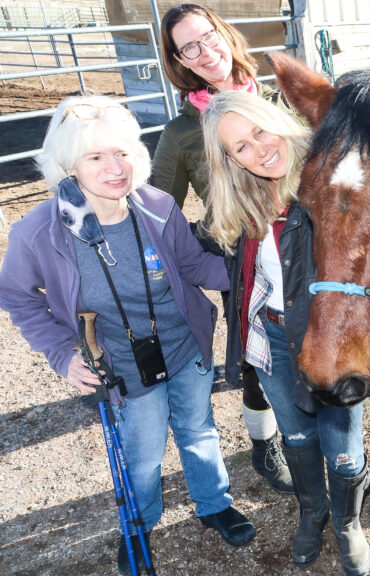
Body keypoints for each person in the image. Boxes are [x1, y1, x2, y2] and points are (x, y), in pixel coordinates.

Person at [0, 95, 256, 574]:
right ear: (68, 164)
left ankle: (213, 503)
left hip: (186, 347)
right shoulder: (40, 232)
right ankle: (137, 524)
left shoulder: (156, 205)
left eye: (121, 152)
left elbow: (192, 264)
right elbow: (17, 297)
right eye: (95, 156)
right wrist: (61, 354)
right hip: (120, 366)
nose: (114, 167)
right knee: (142, 454)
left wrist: (252, 270)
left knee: (198, 429)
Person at [201, 89, 370, 576]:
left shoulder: (332, 178)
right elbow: (201, 247)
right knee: (296, 436)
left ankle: (347, 523)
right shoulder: (243, 201)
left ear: (276, 117)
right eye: (241, 147)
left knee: (342, 448)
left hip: (330, 341)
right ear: (230, 161)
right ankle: (311, 511)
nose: (259, 149)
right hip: (272, 336)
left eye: (259, 129)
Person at [152, 2, 292, 495]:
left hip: (305, 250)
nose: (204, 50)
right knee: (257, 363)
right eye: (188, 46)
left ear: (225, 33)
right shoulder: (182, 132)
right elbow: (159, 211)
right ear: (179, 61)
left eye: (207, 36)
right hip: (244, 263)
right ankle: (263, 441)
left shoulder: (283, 99)